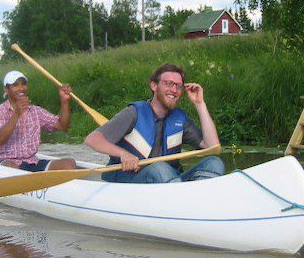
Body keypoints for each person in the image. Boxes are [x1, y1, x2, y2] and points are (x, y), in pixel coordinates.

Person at [84, 63, 224, 184]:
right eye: (168, 84)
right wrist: (124, 154)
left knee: (214, 163)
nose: (174, 90)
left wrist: (200, 104)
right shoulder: (133, 113)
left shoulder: (180, 120)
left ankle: (193, 201)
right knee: (160, 168)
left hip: (170, 181)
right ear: (154, 85)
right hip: (129, 183)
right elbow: (93, 139)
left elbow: (213, 147)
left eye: (179, 86)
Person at [0, 70, 76, 171]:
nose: (21, 88)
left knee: (69, 164)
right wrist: (17, 114)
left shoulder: (35, 111)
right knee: (10, 167)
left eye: (24, 84)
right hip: (6, 162)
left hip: (32, 162)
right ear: (6, 89)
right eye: (15, 85)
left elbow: (62, 126)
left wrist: (64, 101)